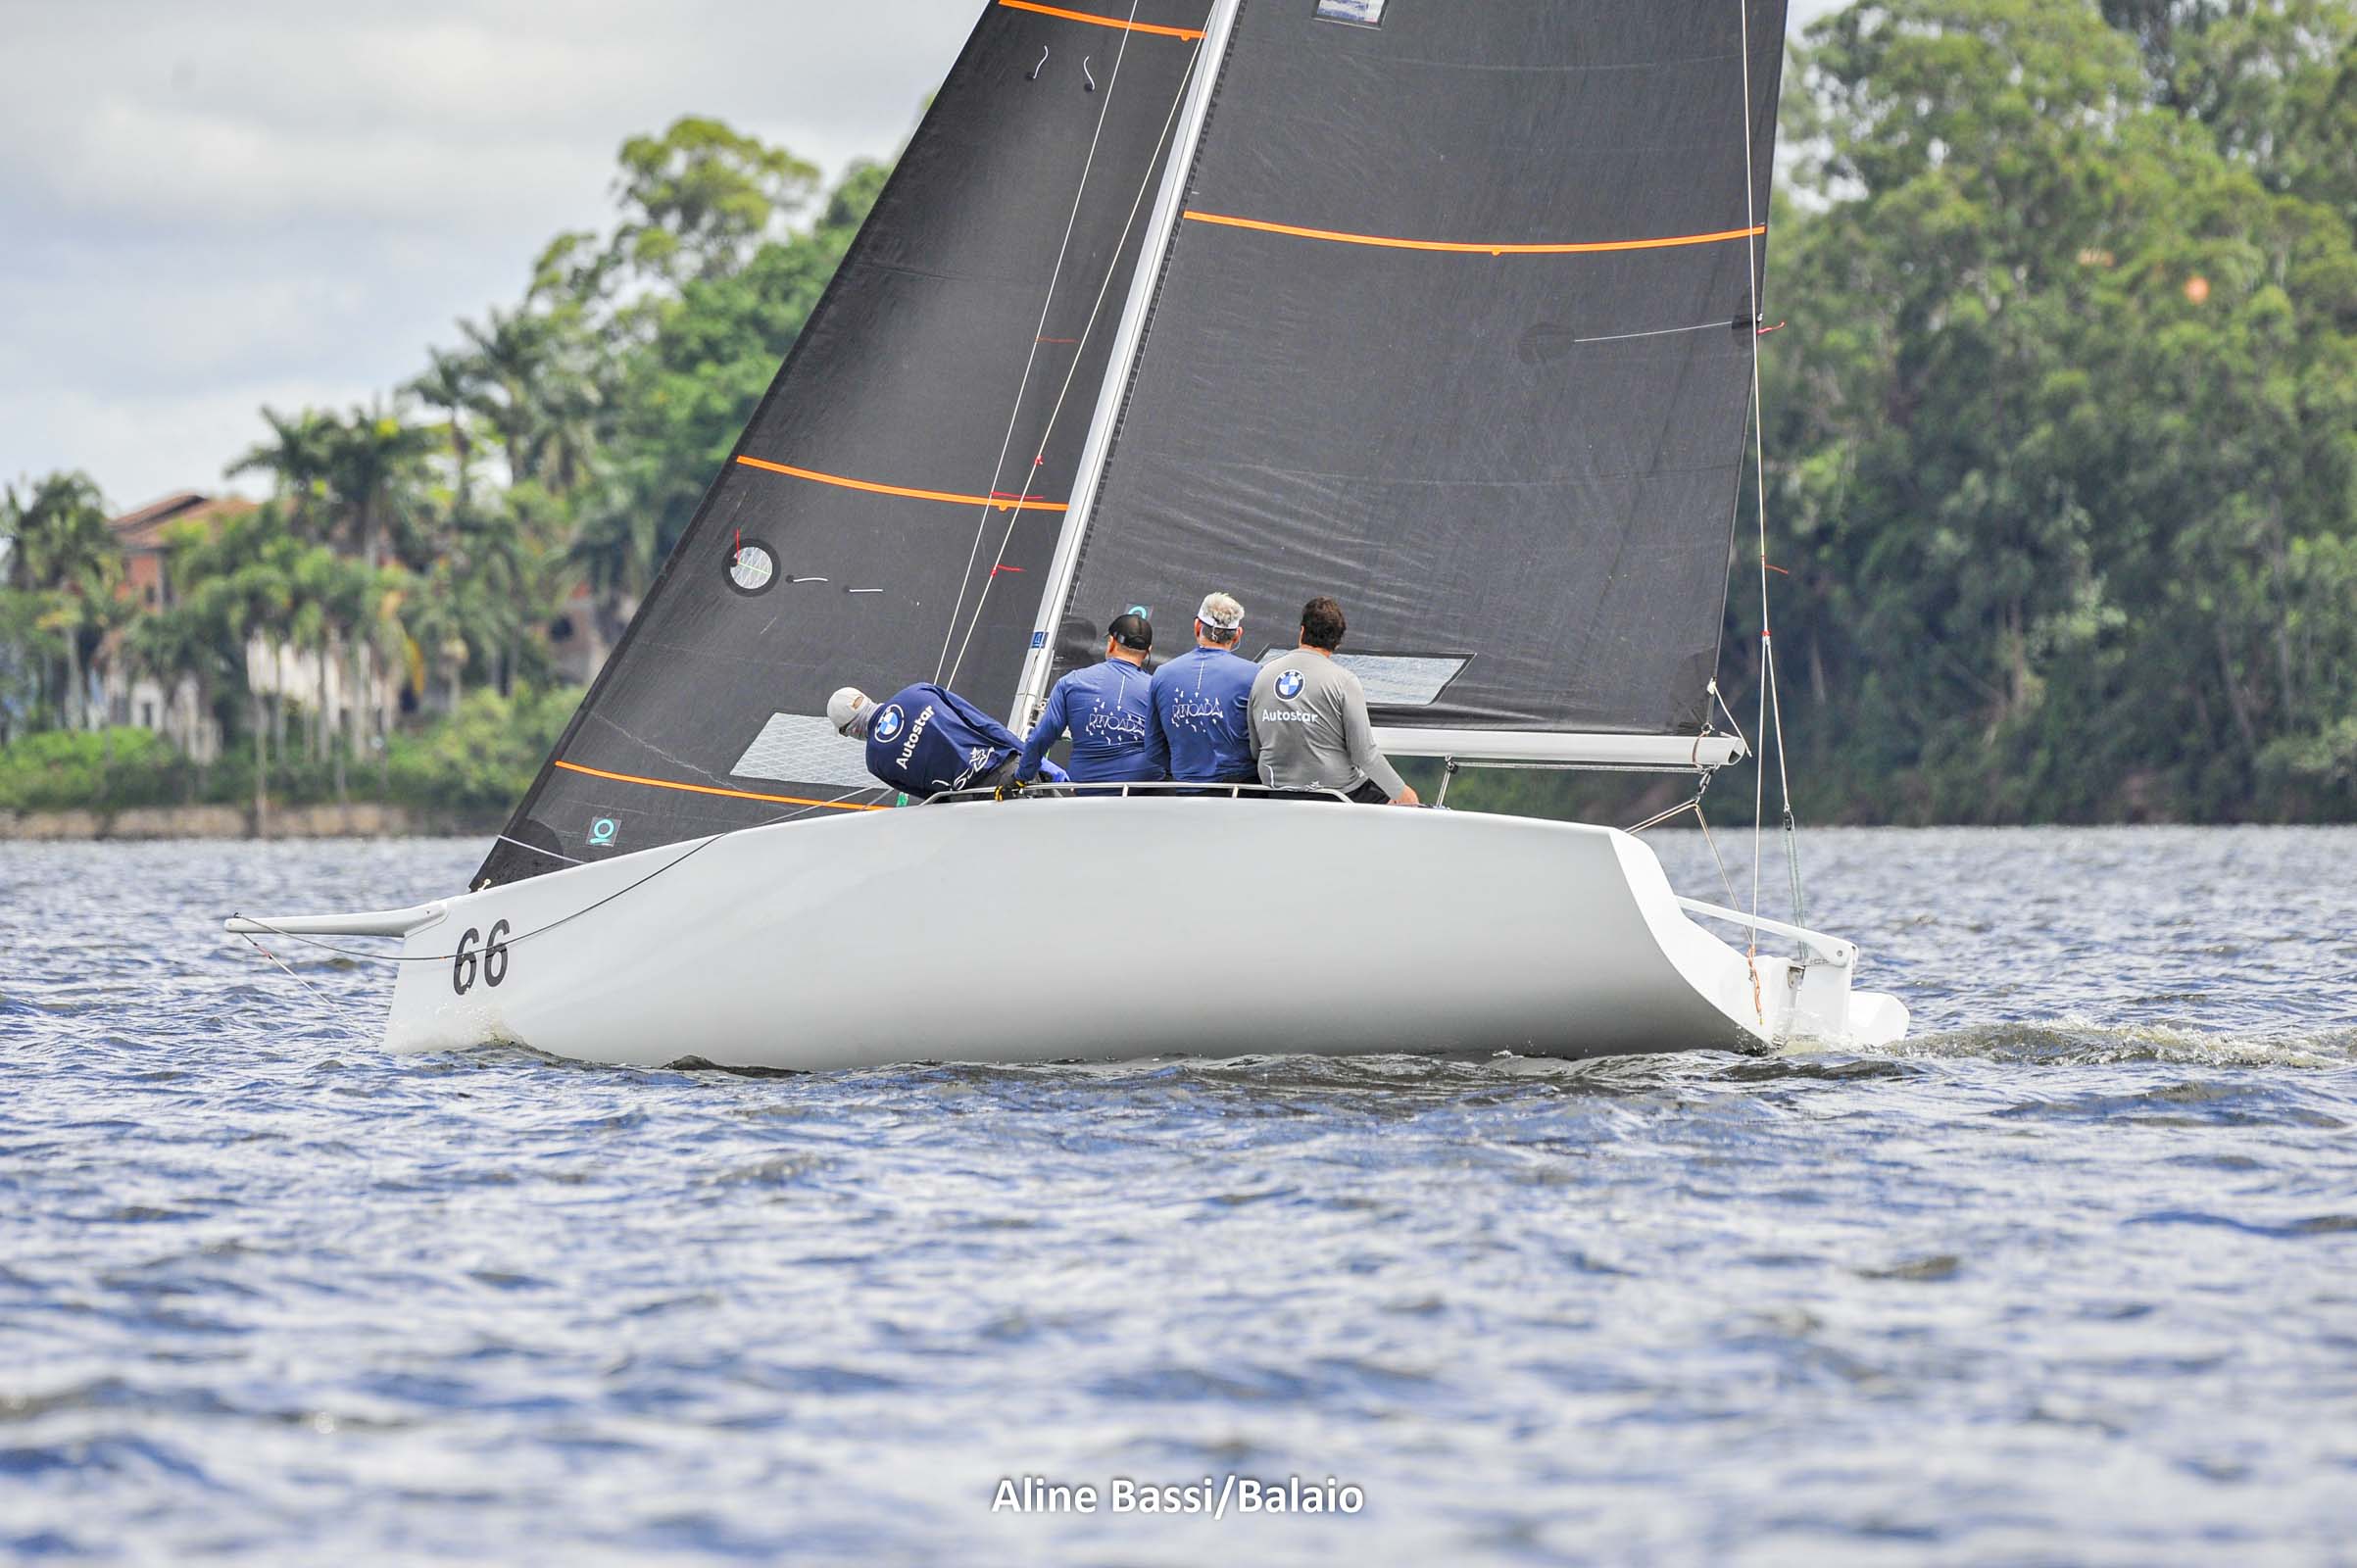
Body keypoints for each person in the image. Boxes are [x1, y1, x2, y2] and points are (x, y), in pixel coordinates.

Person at [1248, 596, 1420, 806]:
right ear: (1337, 642)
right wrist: (1402, 793)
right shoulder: (1344, 681)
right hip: (1337, 794)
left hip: (1277, 792)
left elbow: (1255, 749)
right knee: (1400, 803)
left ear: (1302, 631)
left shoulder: (1263, 675)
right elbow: (1364, 755)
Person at [828, 682, 1059, 800]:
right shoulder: (918, 692)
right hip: (1016, 771)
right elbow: (983, 723)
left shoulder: (876, 761)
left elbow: (933, 798)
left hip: (981, 803)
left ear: (852, 729)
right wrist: (1032, 757)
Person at [1014, 611, 1158, 784]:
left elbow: (1040, 738)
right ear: (1148, 651)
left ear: (1111, 643)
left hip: (1084, 790)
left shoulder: (1071, 682)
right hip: (1142, 790)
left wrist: (1021, 777)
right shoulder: (1159, 690)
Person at [1141, 592, 1257, 790]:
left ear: (1197, 626)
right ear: (1238, 634)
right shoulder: (1254, 674)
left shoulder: (1164, 674)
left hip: (1187, 790)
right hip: (1240, 793)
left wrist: (1188, 772)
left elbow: (1154, 748)